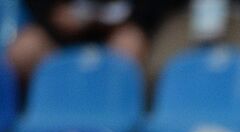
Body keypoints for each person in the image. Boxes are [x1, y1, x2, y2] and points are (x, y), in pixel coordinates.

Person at [6, 0, 169, 78]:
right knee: (24, 50)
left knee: (129, 45)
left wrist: (132, 18)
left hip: (122, 26)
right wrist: (52, 11)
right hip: (60, 28)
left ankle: (111, 115)